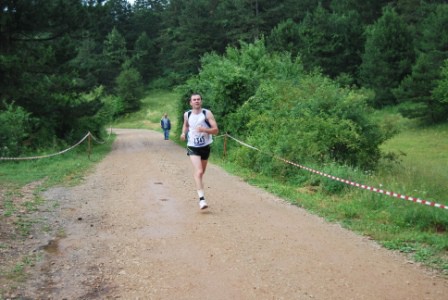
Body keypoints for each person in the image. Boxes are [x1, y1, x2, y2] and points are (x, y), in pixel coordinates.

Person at [180, 93, 219, 209]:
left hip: (205, 146)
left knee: (201, 173)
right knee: (199, 171)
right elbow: (186, 125)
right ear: (190, 102)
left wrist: (204, 130)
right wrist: (183, 133)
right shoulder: (187, 114)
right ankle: (202, 199)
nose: (196, 101)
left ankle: (200, 188)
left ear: (201, 101)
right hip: (192, 146)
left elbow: (216, 130)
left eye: (198, 99)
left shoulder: (207, 113)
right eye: (194, 100)